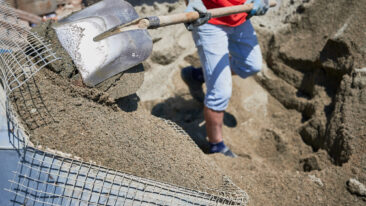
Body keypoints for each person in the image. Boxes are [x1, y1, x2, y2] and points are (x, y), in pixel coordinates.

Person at [181, 0, 269, 157]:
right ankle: (216, 145)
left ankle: (197, 75)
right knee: (220, 92)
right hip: (208, 17)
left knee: (251, 66)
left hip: (240, 14)